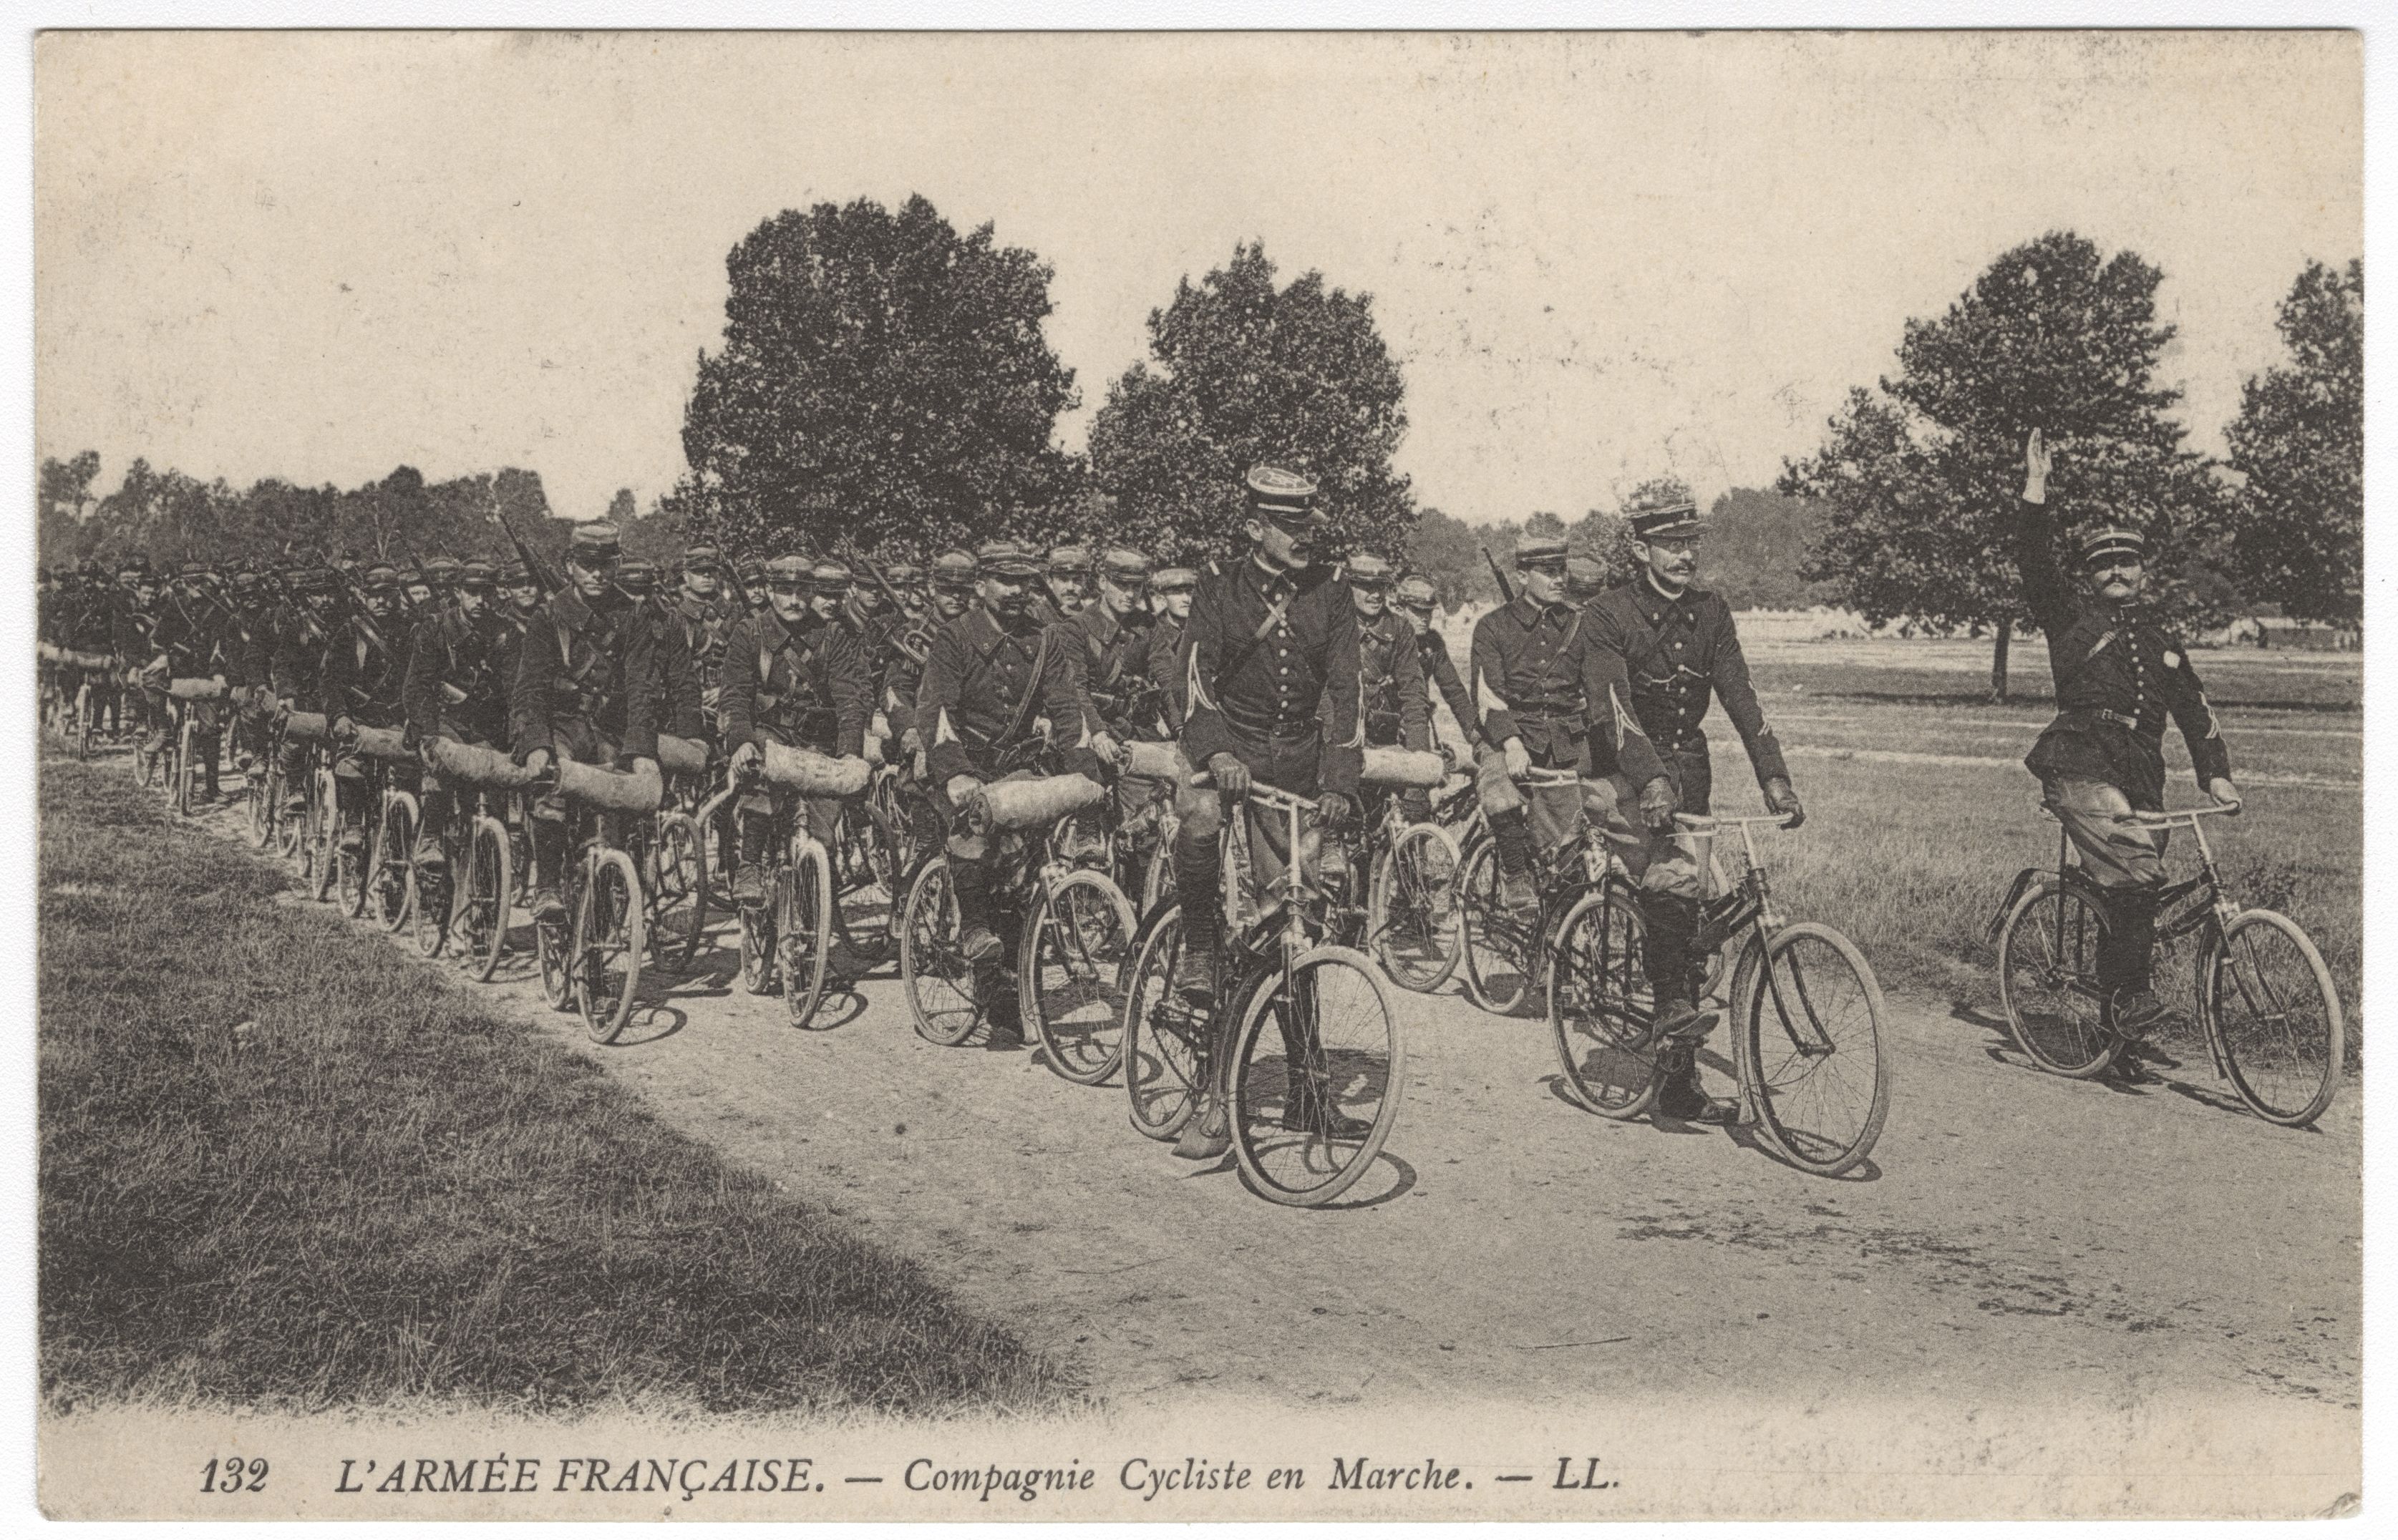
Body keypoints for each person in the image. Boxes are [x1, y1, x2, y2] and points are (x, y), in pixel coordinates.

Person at [2014, 428, 2238, 1041]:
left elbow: (2194, 709)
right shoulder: (2069, 618)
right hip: (2080, 760)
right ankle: (2134, 1000)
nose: (2116, 571)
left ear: (2143, 571)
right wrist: (2036, 489)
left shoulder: (2162, 638)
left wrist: (2214, 772)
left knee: (2132, 899)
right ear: (2088, 577)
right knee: (2139, 874)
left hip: (2140, 770)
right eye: (2102, 564)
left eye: (2126, 562)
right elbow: (2034, 563)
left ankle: (2117, 1021)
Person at [1583, 500, 1803, 1123]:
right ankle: (1672, 1011)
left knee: (1695, 904)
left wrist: (1775, 776)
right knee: (1674, 879)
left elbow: (1741, 693)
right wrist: (1650, 779)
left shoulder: (1712, 612)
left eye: (1691, 544)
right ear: (1640, 551)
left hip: (1688, 770)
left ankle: (1678, 1081)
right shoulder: (1608, 614)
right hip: (1621, 771)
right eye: (1670, 543)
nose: (1685, 555)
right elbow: (1613, 708)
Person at [1170, 466, 1365, 1156]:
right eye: (1289, 525)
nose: (1305, 536)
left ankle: (1308, 1094)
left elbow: (1346, 691)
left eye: (1310, 523)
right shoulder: (1220, 585)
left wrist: (1341, 778)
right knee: (1195, 822)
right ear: (1256, 529)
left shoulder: (1332, 592)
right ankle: (1213, 1089)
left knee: (1291, 929)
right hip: (1225, 754)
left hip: (1298, 767)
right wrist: (1218, 751)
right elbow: (1190, 680)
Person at [916, 539, 1094, 1048]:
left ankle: (1007, 1008)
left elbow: (1066, 705)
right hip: (965, 763)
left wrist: (1083, 771)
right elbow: (937, 709)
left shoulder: (1045, 639)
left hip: (1018, 767)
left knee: (1020, 880)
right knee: (974, 836)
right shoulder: (954, 638)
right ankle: (971, 927)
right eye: (1006, 581)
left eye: (1024, 582)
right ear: (981, 586)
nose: (1017, 592)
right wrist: (954, 772)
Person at [510, 524, 664, 920]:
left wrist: (643, 751)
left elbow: (642, 688)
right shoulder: (549, 616)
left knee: (613, 814)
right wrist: (537, 744)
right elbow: (530, 689)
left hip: (610, 731)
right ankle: (545, 886)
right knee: (551, 789)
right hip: (561, 728)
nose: (598, 575)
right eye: (587, 565)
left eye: (607, 566)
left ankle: (609, 889)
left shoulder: (633, 615)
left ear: (617, 566)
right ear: (570, 567)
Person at [717, 555, 872, 918]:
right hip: (766, 733)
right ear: (770, 591)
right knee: (759, 774)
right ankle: (750, 866)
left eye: (802, 590)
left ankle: (812, 937)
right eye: (785, 590)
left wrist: (850, 752)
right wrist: (740, 741)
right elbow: (735, 695)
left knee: (822, 838)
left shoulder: (833, 636)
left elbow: (850, 698)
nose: (794, 600)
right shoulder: (750, 633)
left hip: (819, 740)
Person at [1467, 532, 1600, 926]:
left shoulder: (1579, 625)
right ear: (1522, 576)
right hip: (1505, 733)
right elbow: (1489, 696)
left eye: (1561, 570)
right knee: (1502, 795)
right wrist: (1511, 743)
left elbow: (1596, 688)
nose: (1559, 579)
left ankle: (1561, 935)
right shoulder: (1493, 627)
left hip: (1564, 742)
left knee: (1573, 841)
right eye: (1547, 571)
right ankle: (1515, 875)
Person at [402, 559, 511, 872]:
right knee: (441, 768)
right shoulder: (435, 628)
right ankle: (431, 837)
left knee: (497, 789)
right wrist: (428, 732)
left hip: (485, 727)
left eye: (487, 593)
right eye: (473, 592)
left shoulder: (501, 632)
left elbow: (515, 687)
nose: (481, 600)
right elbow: (416, 686)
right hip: (442, 720)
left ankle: (495, 868)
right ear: (457, 592)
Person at [319, 562, 417, 856]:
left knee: (413, 776)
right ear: (364, 596)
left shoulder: (412, 632)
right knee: (350, 766)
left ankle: (405, 845)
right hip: (358, 719)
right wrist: (339, 715)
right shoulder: (350, 632)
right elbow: (330, 680)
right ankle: (353, 824)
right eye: (375, 595)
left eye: (388, 594)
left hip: (399, 721)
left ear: (398, 595)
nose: (382, 601)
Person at [1346, 552, 1432, 820]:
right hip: (1342, 741)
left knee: (1402, 826)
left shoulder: (1400, 628)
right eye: (1366, 587)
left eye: (1381, 587)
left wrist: (1419, 760)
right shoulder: (1336, 624)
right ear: (1348, 586)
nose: (1375, 595)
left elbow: (1414, 696)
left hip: (1386, 741)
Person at [1394, 572, 1486, 767]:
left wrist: (1476, 736)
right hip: (1380, 723)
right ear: (1400, 609)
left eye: (1428, 612)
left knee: (1419, 788)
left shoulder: (1432, 643)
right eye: (1417, 611)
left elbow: (1454, 691)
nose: (1424, 618)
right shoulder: (1387, 639)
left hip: (1414, 723)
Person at [1147, 565, 1197, 734]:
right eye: (1177, 593)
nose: (1186, 599)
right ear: (1162, 599)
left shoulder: (1204, 629)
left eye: (1189, 592)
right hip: (1163, 718)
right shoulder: (1150, 632)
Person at [1041, 545, 1092, 620]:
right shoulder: (1036, 616)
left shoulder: (1093, 618)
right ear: (1050, 582)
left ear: (1085, 582)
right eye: (1063, 580)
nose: (1070, 588)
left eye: (1077, 580)